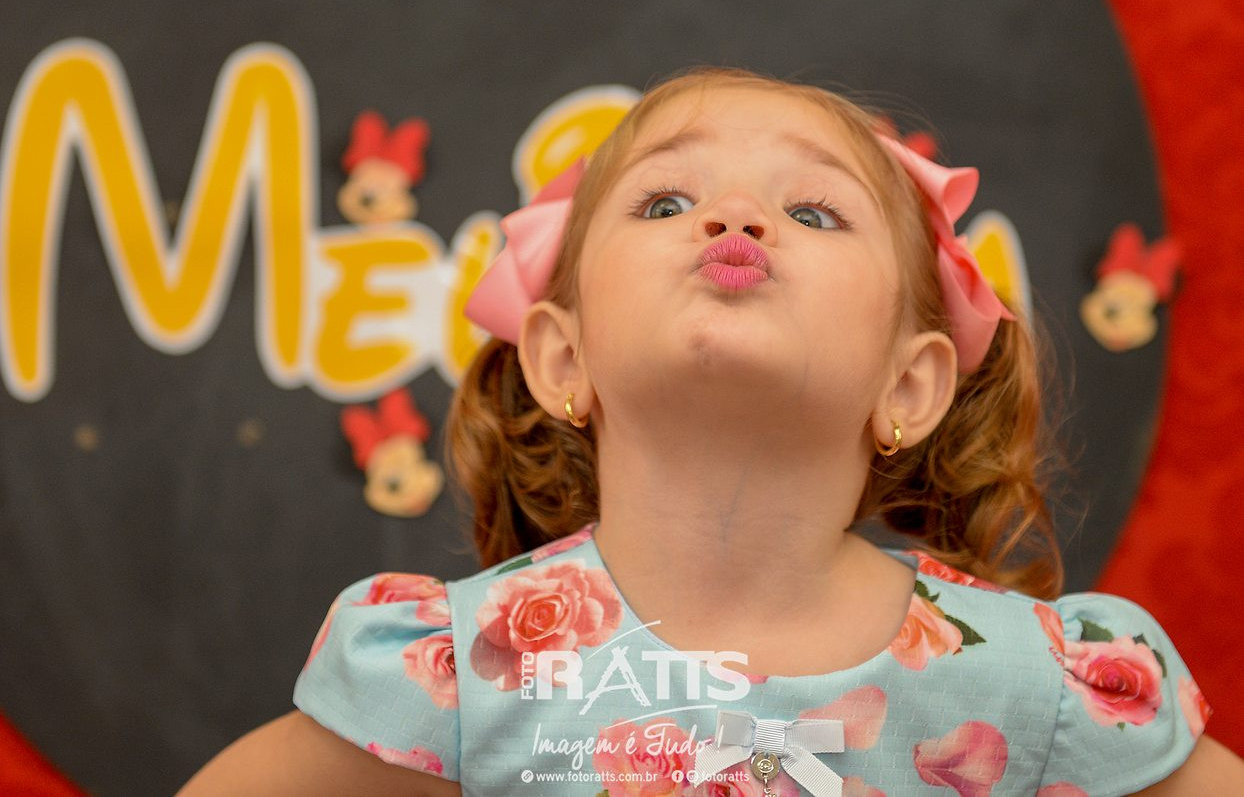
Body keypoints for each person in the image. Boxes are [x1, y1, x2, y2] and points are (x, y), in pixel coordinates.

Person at [180, 68, 1244, 795]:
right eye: (663, 202)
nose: (734, 218)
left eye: (815, 212)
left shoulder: (1036, 688)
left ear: (910, 384)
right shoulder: (458, 676)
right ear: (563, 358)